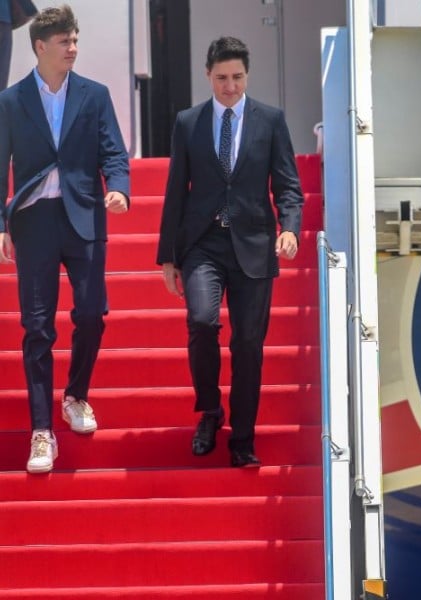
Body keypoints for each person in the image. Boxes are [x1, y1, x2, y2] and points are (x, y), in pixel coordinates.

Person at [157, 36, 303, 468]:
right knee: (201, 322)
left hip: (254, 246)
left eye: (237, 77)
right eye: (221, 78)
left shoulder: (270, 120)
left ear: (247, 75)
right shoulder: (188, 122)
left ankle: (242, 437)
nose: (230, 86)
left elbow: (289, 186)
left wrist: (290, 229)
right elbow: (174, 192)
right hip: (203, 242)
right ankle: (209, 411)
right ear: (208, 76)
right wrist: (169, 256)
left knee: (248, 345)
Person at [0, 4, 130, 473]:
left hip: (84, 218)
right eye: (64, 42)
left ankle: (76, 395)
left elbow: (114, 150)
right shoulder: (12, 102)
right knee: (37, 328)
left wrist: (118, 188)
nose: (73, 48)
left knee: (93, 314)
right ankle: (41, 432)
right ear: (40, 46)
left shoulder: (94, 96)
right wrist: (1, 224)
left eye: (75, 40)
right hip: (34, 222)